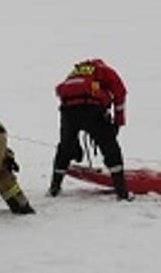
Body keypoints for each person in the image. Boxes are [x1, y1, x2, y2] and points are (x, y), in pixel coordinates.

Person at [49, 58, 129, 200]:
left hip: (67, 110)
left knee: (65, 147)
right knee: (110, 147)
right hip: (91, 108)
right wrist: (118, 121)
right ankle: (122, 192)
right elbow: (120, 91)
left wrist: (73, 142)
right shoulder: (103, 70)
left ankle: (54, 187)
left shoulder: (75, 72)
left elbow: (66, 93)